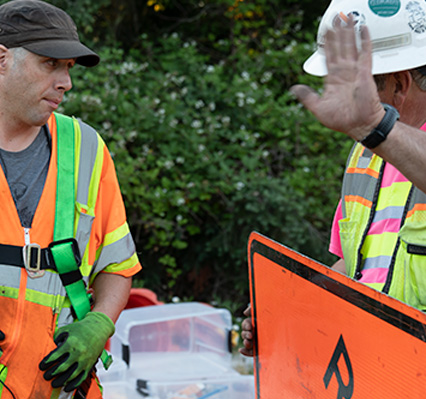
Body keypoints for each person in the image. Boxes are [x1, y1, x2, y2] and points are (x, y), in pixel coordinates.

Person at [241, 0, 426, 357]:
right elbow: (356, 266)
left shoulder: (379, 135)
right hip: (384, 365)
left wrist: (377, 127)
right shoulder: (368, 151)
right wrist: (291, 309)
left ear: (400, 85)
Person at [0, 0, 141, 398]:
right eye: (51, 64)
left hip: (60, 388)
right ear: (2, 59)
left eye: (69, 69)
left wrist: (99, 325)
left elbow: (118, 265)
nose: (66, 83)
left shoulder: (87, 149)